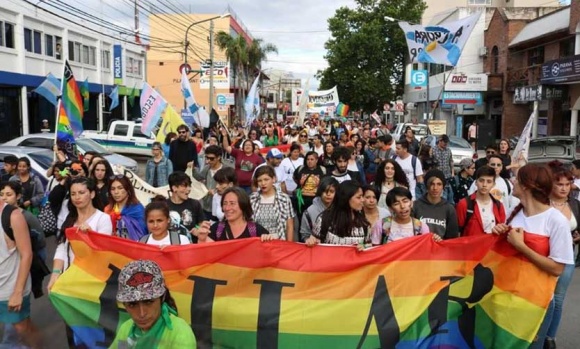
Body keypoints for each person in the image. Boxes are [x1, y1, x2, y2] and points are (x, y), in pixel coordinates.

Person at [492, 164, 574, 349]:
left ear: (527, 186)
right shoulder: (515, 214)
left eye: (517, 179)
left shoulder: (556, 221)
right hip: (508, 298)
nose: (512, 181)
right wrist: (499, 233)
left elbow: (557, 268)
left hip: (537, 302)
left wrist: (522, 247)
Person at [110, 260, 196, 348]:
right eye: (132, 305)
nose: (142, 313)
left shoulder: (179, 333)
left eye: (148, 302)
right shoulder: (126, 329)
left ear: (162, 298)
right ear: (124, 305)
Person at [542, 160, 579, 347]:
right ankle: (538, 336)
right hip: (544, 258)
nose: (564, 188)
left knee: (558, 300)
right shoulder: (543, 203)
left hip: (567, 259)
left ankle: (550, 338)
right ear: (551, 183)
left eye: (567, 184)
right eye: (560, 184)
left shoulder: (575, 204)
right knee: (546, 298)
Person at [0, 187, 41, 349]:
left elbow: (27, 254)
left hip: (10, 287)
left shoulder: (13, 216)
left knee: (22, 327)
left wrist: (17, 292)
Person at [197, 187, 275, 242]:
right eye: (225, 203)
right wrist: (202, 239)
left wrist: (267, 241)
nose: (227, 208)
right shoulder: (216, 230)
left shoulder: (257, 231)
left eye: (232, 203)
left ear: (243, 205)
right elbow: (205, 257)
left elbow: (268, 258)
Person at [306, 180, 370, 246]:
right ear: (346, 198)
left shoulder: (363, 221)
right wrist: (311, 241)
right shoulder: (324, 219)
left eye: (362, 196)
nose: (363, 200)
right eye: (358, 197)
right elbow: (315, 242)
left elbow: (368, 246)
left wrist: (364, 247)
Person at [456, 166, 506, 236]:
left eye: (489, 182)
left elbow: (502, 231)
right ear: (476, 182)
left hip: (491, 246)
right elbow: (457, 232)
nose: (484, 185)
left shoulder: (499, 206)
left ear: (493, 184)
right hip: (470, 245)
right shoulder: (464, 204)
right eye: (481, 180)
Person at [250, 166, 295, 240]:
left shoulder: (284, 199)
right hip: (257, 242)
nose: (263, 183)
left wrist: (289, 246)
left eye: (266, 179)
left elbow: (289, 226)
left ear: (273, 179)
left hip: (278, 243)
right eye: (259, 181)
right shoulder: (252, 198)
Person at [413, 169, 459, 240]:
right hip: (420, 247)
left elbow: (452, 238)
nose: (435, 188)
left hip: (441, 249)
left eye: (439, 184)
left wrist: (441, 241)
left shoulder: (449, 209)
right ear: (426, 186)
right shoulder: (416, 206)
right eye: (432, 184)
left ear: (443, 186)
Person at [105, 175, 147, 241]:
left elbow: (144, 234)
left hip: (134, 247)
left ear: (128, 190)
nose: (116, 192)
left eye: (120, 188)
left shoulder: (138, 209)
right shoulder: (108, 209)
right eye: (113, 189)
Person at [166, 172, 205, 243]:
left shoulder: (195, 204)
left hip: (190, 248)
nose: (189, 189)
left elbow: (200, 225)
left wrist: (198, 229)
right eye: (185, 186)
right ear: (174, 188)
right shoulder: (163, 206)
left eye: (189, 186)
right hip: (169, 248)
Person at [221, 129, 264, 193]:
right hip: (237, 185)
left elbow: (261, 172)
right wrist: (224, 136)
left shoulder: (258, 158)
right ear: (243, 147)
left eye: (249, 145)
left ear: (253, 147)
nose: (247, 146)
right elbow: (226, 147)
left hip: (250, 187)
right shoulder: (238, 153)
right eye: (246, 145)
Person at [191, 145, 225, 219]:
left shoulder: (225, 169)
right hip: (207, 206)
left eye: (211, 158)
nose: (208, 161)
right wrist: (193, 169)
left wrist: (217, 192)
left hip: (221, 206)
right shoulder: (207, 168)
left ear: (218, 157)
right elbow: (199, 177)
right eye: (207, 158)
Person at [300, 177, 338, 242]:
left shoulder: (341, 210)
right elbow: (304, 235)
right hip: (316, 248)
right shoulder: (309, 211)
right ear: (320, 191)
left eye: (331, 191)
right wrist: (309, 240)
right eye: (325, 191)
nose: (328, 194)